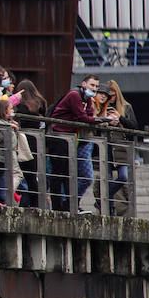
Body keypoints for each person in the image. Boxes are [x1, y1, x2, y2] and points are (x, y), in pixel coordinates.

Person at [47, 74, 100, 213]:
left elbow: (89, 114)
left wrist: (92, 115)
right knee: (59, 172)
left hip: (69, 137)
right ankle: (58, 206)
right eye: (92, 85)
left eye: (96, 86)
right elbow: (82, 117)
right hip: (58, 136)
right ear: (84, 84)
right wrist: (98, 120)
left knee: (67, 172)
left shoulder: (86, 99)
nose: (94, 89)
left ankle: (68, 205)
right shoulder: (74, 95)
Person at [98, 80, 140, 216]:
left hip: (121, 148)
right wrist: (105, 120)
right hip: (106, 147)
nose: (110, 98)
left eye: (113, 95)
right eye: (107, 96)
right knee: (107, 178)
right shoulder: (101, 108)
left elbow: (134, 126)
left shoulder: (126, 107)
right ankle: (109, 207)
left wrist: (119, 118)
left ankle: (102, 198)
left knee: (123, 176)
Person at [12, 80, 48, 208]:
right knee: (32, 175)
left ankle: (18, 202)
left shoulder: (21, 105)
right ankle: (35, 204)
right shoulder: (40, 103)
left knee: (20, 173)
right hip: (36, 140)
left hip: (22, 140)